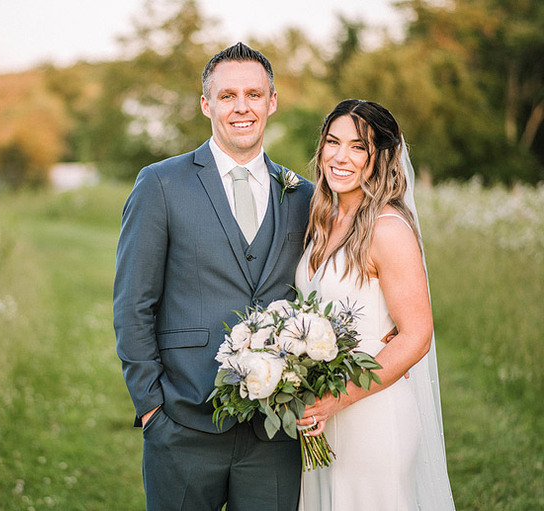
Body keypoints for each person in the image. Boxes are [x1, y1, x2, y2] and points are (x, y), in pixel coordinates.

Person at [113, 42, 314, 510]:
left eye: (253, 94)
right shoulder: (161, 184)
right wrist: (151, 406)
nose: (242, 107)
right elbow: (133, 303)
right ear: (207, 104)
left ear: (272, 101)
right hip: (183, 422)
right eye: (227, 96)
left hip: (275, 430)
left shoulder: (303, 195)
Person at [294, 99, 454, 510]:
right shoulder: (323, 218)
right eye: (332, 142)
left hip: (373, 419)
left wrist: (337, 399)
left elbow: (416, 336)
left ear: (381, 158)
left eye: (357, 147)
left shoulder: (388, 229)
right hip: (323, 418)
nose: (340, 157)